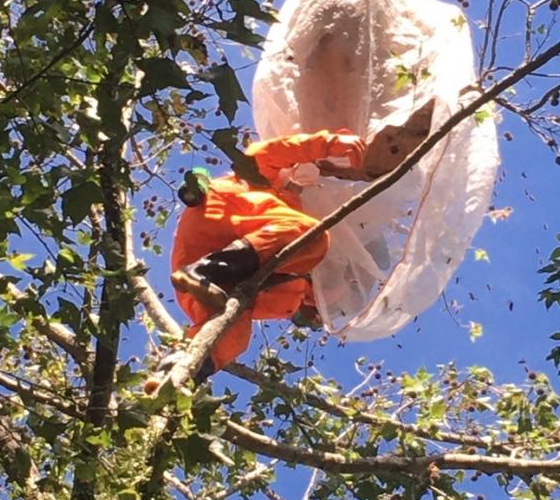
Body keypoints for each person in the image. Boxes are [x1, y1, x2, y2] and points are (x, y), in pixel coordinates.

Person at [160, 103, 435, 381]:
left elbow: (313, 289)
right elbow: (267, 153)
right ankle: (208, 271)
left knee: (232, 336)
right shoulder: (260, 186)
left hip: (206, 279)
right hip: (217, 219)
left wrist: (316, 306)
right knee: (311, 236)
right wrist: (328, 144)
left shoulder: (291, 287)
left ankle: (177, 373)